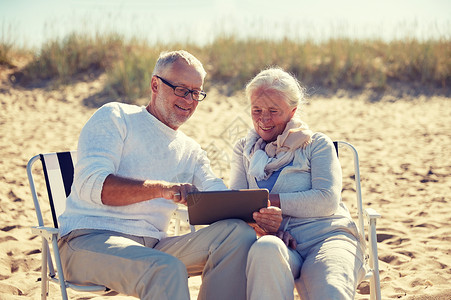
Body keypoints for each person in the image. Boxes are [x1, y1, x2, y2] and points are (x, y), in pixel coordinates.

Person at [57, 50, 257, 300]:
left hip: (153, 247)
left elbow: (215, 190)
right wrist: (161, 189)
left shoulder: (190, 149)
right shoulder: (116, 116)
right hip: (87, 241)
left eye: (196, 92)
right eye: (182, 89)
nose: (190, 100)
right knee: (166, 269)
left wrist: (258, 218)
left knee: (238, 235)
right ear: (155, 84)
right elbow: (93, 185)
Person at [230, 67, 367, 300]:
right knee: (265, 250)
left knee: (330, 289)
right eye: (257, 110)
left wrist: (264, 201)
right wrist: (264, 230)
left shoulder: (316, 144)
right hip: (277, 241)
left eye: (273, 110)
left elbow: (326, 200)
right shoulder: (244, 149)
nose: (263, 118)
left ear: (292, 111)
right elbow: (235, 206)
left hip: (326, 238)